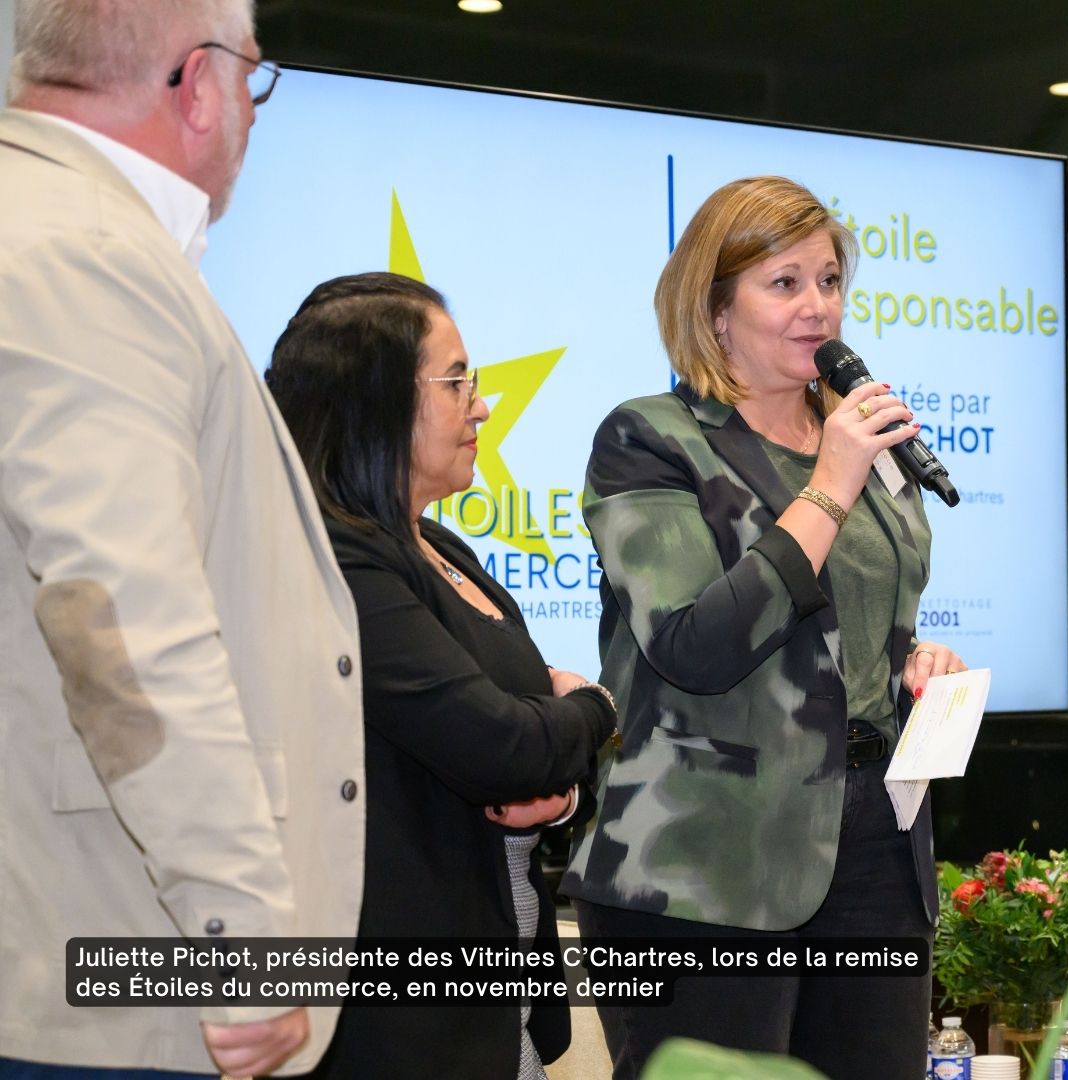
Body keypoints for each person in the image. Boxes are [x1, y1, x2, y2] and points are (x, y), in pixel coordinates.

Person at [0, 3, 363, 1077]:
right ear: (197, 84)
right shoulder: (85, 251)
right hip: (114, 976)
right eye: (255, 83)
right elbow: (122, 620)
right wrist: (237, 940)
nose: (252, 117)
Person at [562, 175, 966, 1078]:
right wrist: (829, 482)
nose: (817, 307)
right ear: (714, 310)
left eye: (828, 281)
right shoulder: (654, 440)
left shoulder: (858, 442)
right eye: (784, 284)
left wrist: (913, 660)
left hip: (873, 849)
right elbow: (695, 646)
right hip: (705, 862)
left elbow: (858, 625)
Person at [265, 272, 618, 1079]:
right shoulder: (336, 559)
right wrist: (596, 707)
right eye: (457, 380)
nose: (482, 405)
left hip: (502, 989)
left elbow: (528, 751)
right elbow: (503, 742)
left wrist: (559, 791)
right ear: (375, 397)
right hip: (403, 1012)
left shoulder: (444, 548)